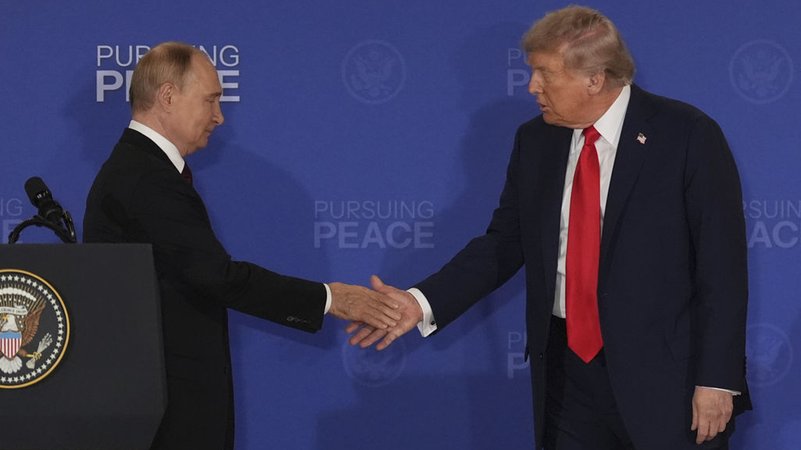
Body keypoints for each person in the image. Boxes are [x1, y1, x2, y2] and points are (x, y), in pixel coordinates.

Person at [348, 6, 751, 450]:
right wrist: (420, 302)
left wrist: (717, 380)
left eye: (545, 73)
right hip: (566, 376)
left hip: (668, 381)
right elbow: (504, 244)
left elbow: (722, 268)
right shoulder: (536, 140)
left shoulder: (686, 134)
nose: (532, 86)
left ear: (594, 79)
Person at [83, 41, 402, 450]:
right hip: (165, 407)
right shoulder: (148, 179)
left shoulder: (141, 170)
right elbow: (217, 277)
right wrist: (331, 298)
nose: (219, 117)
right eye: (210, 100)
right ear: (168, 96)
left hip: (162, 399)